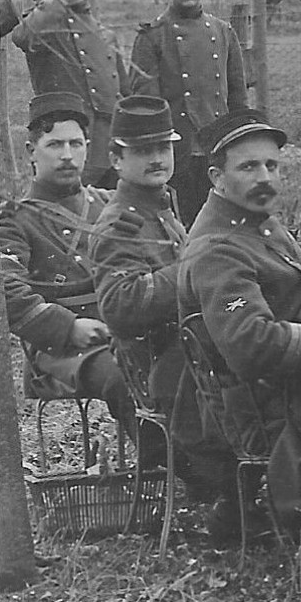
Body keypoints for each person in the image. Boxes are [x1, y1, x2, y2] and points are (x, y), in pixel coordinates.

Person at [177, 109, 301, 557]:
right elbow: (253, 346)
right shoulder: (219, 247)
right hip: (258, 401)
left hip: (283, 384)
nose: (265, 178)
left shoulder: (258, 224)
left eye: (272, 166)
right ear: (217, 177)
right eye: (249, 167)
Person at [89, 94, 238, 531]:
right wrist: (196, 272)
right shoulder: (121, 223)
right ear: (116, 159)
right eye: (142, 151)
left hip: (190, 345)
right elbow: (121, 307)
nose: (157, 159)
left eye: (163, 148)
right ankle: (232, 490)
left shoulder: (163, 206)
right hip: (159, 358)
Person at [0, 91, 132, 434]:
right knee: (123, 379)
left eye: (77, 144)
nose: (68, 155)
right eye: (55, 145)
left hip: (125, 334)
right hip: (58, 352)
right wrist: (68, 327)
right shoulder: (15, 219)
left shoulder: (111, 204)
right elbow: (3, 286)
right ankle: (158, 462)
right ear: (32, 152)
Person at [130, 0, 250, 224]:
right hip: (176, 154)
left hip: (217, 149)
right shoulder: (152, 37)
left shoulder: (223, 32)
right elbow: (146, 107)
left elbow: (238, 101)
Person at [0, 0, 132, 187]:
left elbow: (123, 95)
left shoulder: (106, 35)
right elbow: (22, 37)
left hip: (106, 147)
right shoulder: (46, 23)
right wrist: (54, 2)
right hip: (62, 144)